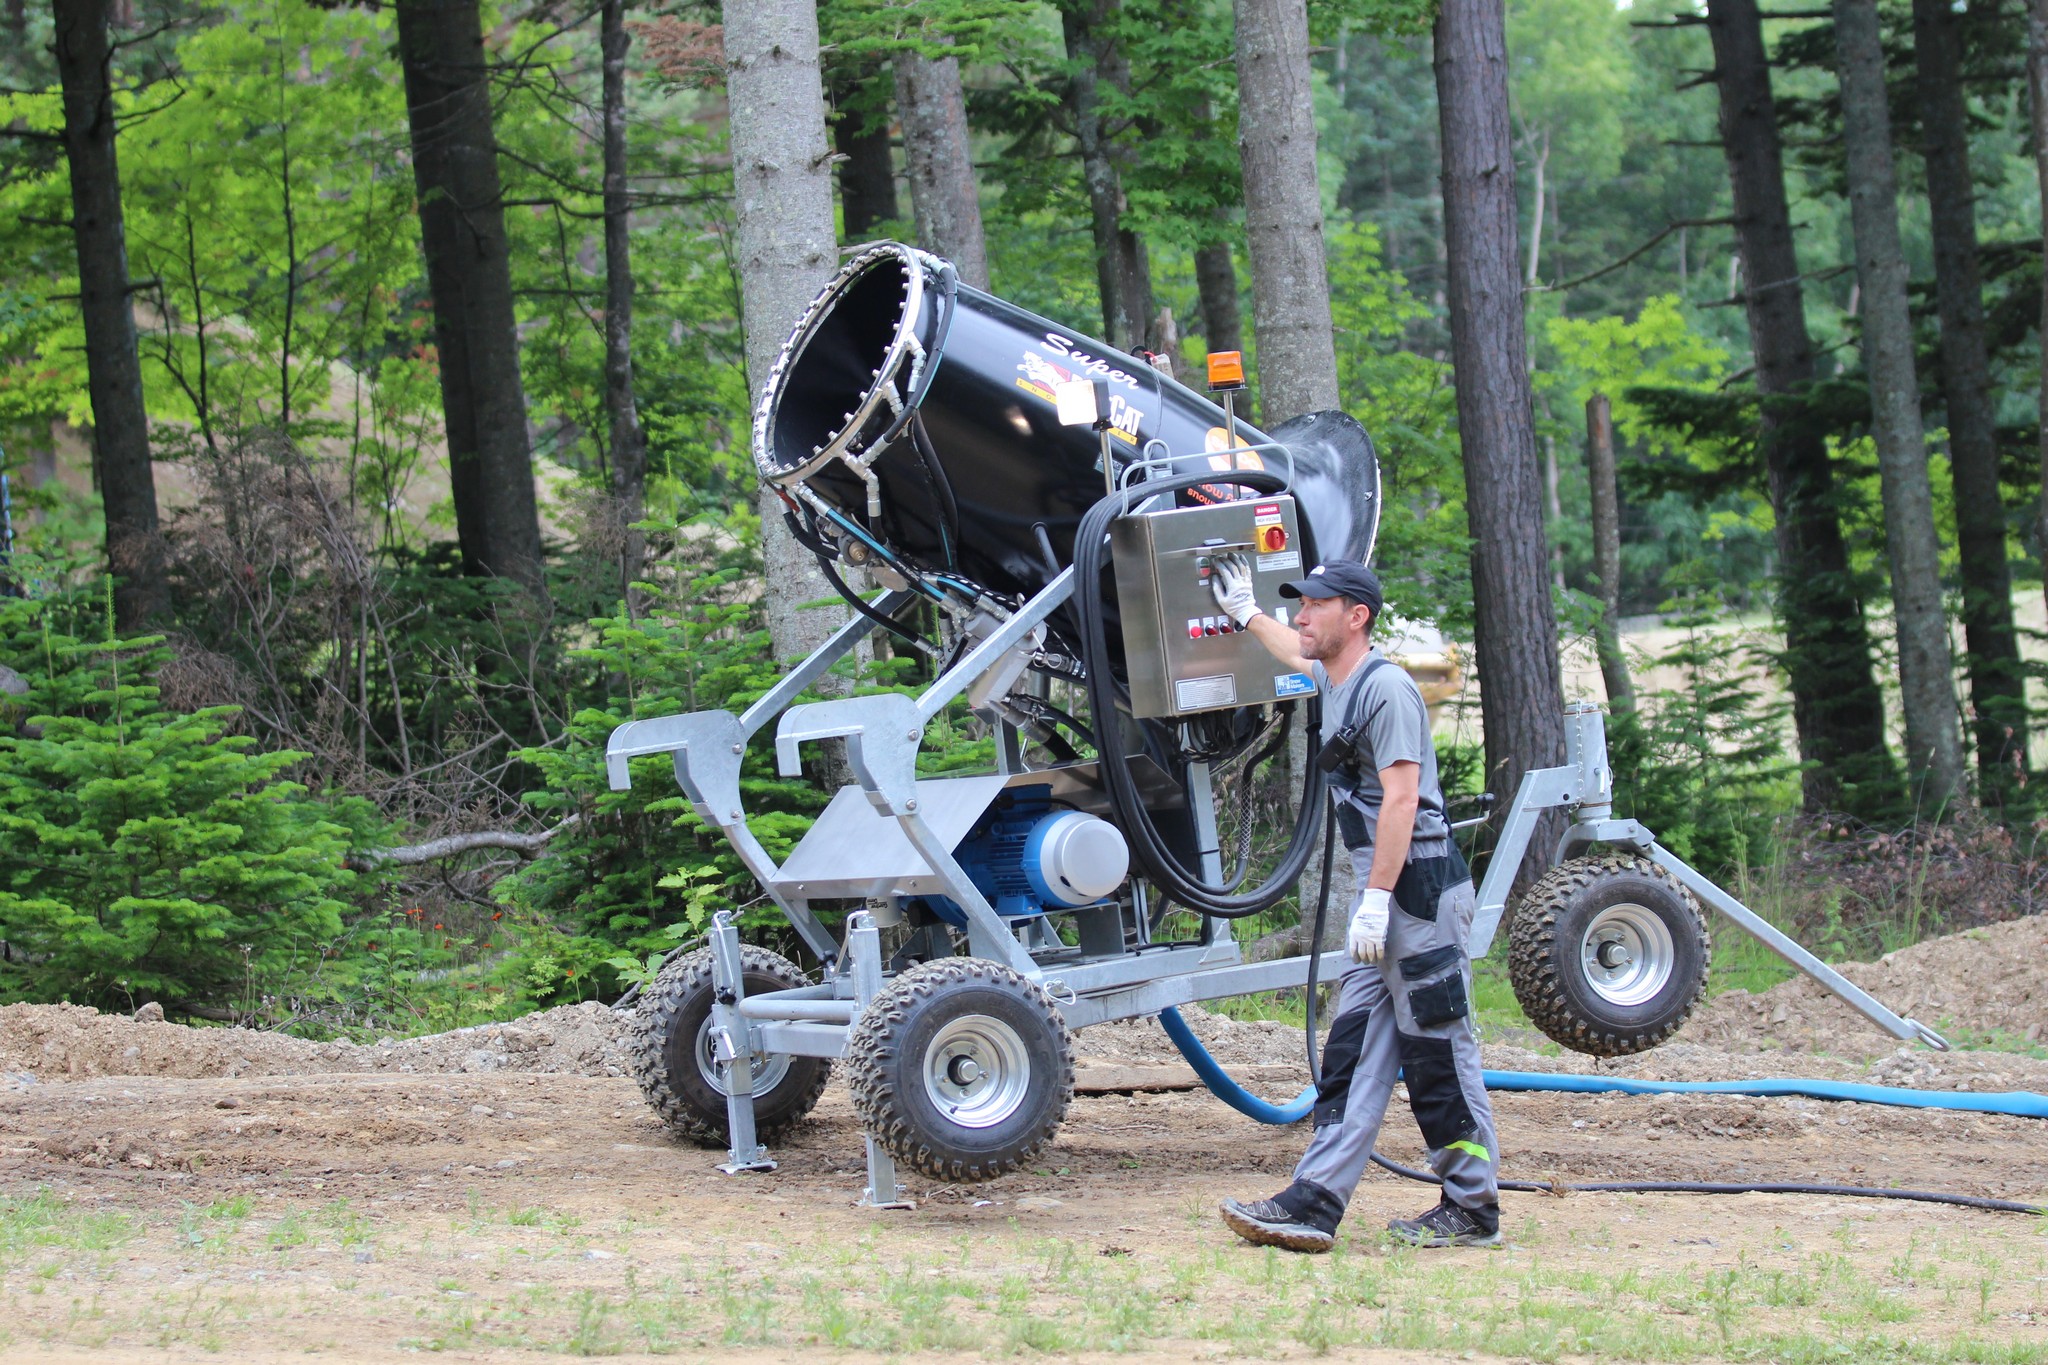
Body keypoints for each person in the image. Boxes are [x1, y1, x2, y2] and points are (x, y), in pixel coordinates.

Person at [1207, 555, 1500, 1252]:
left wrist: (1373, 902)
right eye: (1298, 604)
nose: (1301, 616)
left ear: (1356, 615)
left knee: (1437, 1051)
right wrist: (1246, 608)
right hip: (1387, 894)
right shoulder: (1331, 676)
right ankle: (1315, 1200)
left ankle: (1473, 1206)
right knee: (1354, 1047)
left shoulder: (1387, 690)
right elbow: (1289, 646)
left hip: (1417, 891)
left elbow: (1402, 798)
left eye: (1313, 605)